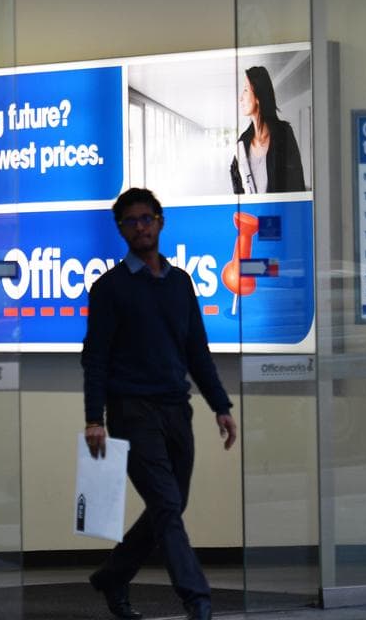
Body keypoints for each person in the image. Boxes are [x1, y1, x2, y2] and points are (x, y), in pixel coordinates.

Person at [81, 188, 238, 620]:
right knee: (167, 506)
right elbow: (95, 359)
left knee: (170, 505)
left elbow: (197, 351)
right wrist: (94, 418)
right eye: (131, 221)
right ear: (120, 229)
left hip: (176, 410)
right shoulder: (109, 288)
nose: (140, 227)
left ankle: (114, 574)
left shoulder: (180, 283)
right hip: (132, 412)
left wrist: (221, 406)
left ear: (160, 222)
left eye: (146, 218)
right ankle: (197, 599)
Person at [229, 66, 308, 194]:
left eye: (245, 90)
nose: (240, 98)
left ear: (258, 97)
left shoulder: (283, 135)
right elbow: (238, 193)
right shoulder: (242, 144)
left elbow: (297, 185)